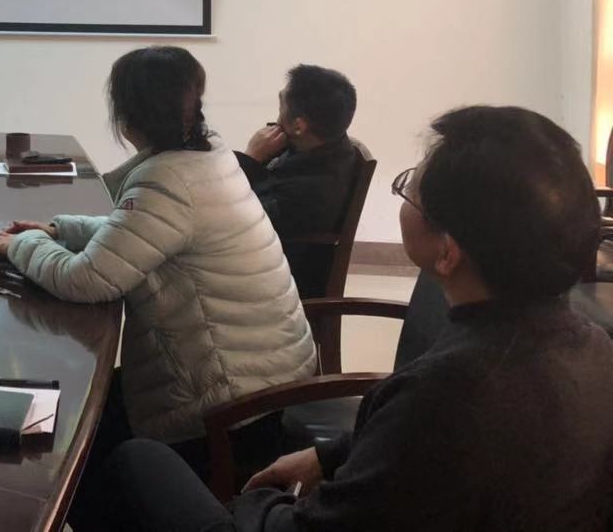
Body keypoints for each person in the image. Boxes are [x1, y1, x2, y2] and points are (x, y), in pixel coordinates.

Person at [99, 105, 613, 532]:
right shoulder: (592, 346)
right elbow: (409, 446)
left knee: (136, 458)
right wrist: (329, 456)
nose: (403, 197)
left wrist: (257, 503)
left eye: (410, 189)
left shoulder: (445, 395)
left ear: (447, 252)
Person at [0, 47, 315, 529]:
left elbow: (86, 279)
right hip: (267, 380)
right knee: (70, 413)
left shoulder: (168, 180)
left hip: (228, 409)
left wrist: (21, 245)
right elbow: (145, 233)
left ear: (128, 119)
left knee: (66, 451)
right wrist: (60, 230)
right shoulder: (206, 155)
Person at [236, 65, 361, 295]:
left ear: (299, 126)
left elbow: (236, 221)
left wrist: (251, 159)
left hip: (278, 286)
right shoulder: (325, 147)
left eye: (281, 105)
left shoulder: (310, 189)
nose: (276, 119)